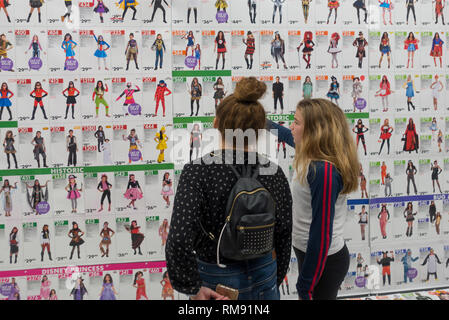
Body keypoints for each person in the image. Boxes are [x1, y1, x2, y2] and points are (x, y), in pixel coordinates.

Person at [166, 77, 293, 300]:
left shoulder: (198, 171)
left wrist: (192, 287)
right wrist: (274, 275)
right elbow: (283, 234)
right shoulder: (273, 171)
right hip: (265, 273)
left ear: (216, 123)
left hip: (216, 280)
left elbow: (179, 237)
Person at [266, 97, 359, 300]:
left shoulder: (322, 171)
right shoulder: (309, 151)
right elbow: (282, 133)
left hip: (323, 261)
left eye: (297, 122)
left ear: (315, 131)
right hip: (310, 254)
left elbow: (321, 232)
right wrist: (256, 118)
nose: (291, 126)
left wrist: (305, 285)